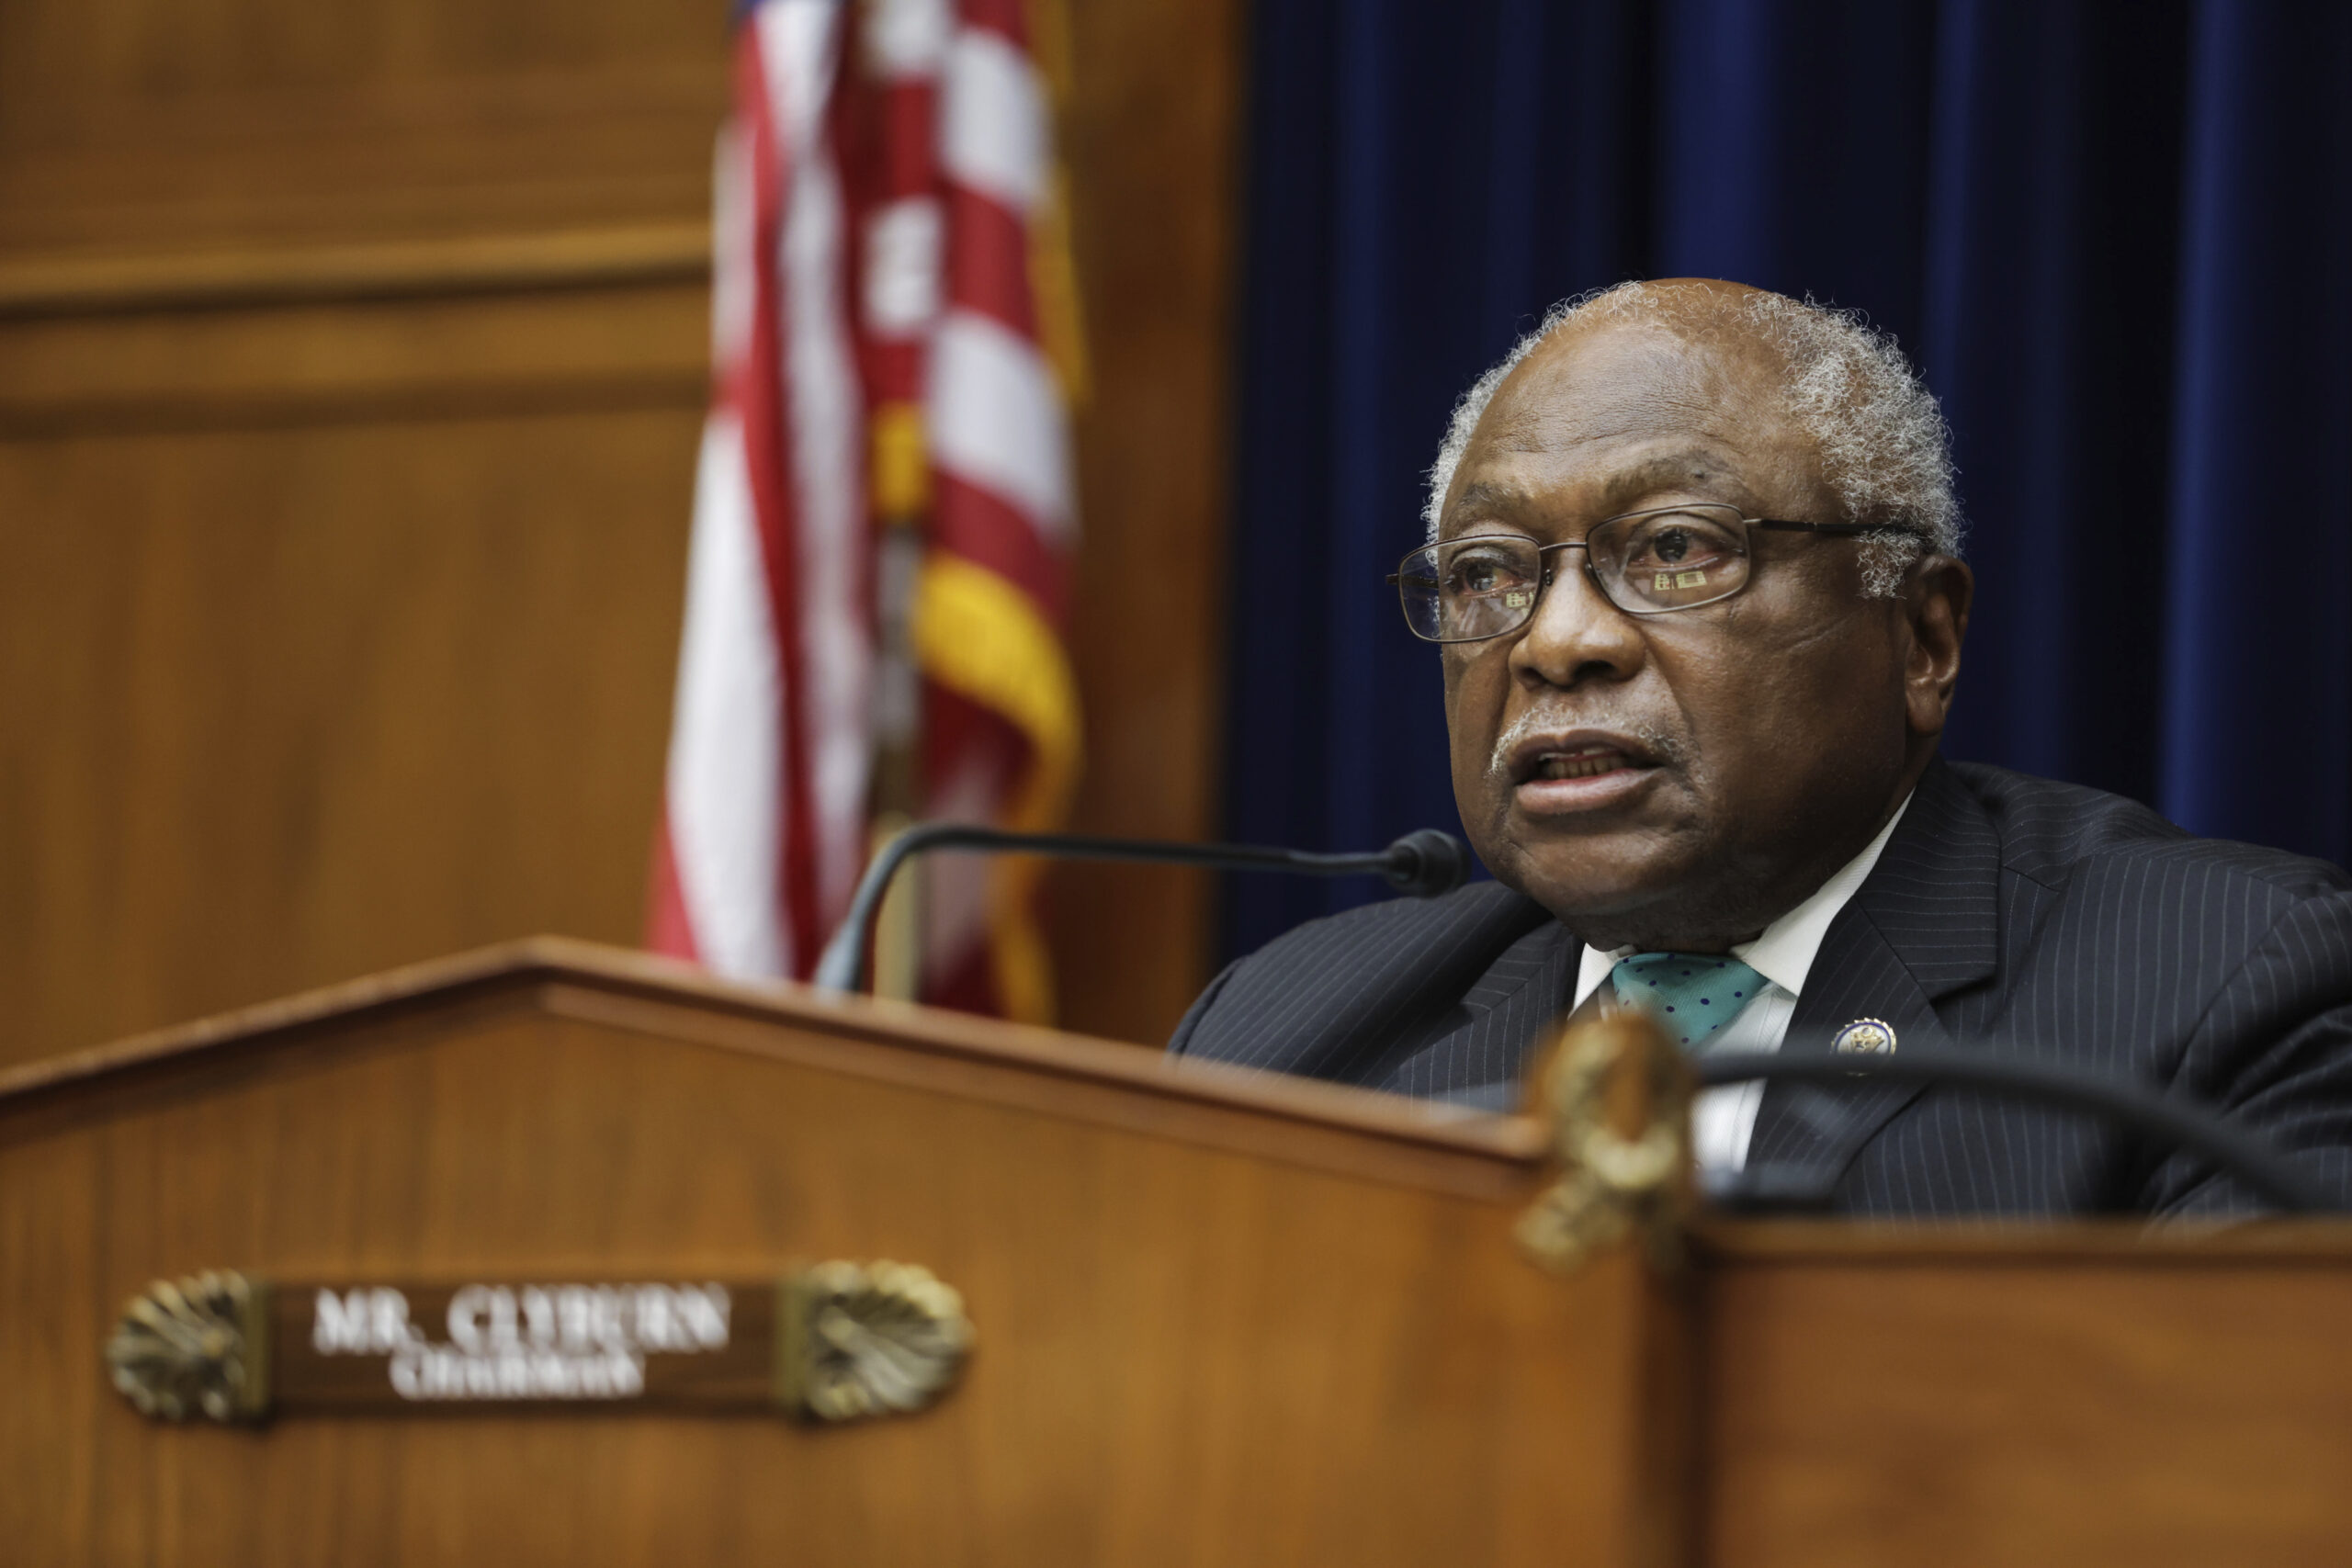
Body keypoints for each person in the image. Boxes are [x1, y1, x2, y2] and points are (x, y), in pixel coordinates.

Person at [1170, 278, 2352, 1215]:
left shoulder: (2215, 988)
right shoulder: (1282, 1038)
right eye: (1487, 574)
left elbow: (2252, 1489)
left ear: (1923, 638)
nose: (1556, 640)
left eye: (1677, 550)